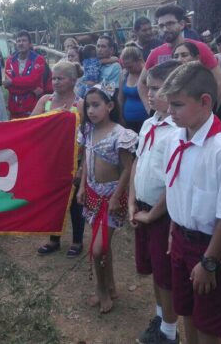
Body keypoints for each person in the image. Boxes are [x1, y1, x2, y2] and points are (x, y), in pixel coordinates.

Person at [160, 62, 221, 343]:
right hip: (181, 240)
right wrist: (175, 230)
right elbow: (178, 190)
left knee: (208, 322)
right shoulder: (176, 138)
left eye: (177, 105)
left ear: (205, 101)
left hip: (210, 247)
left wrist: (209, 262)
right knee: (185, 308)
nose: (170, 112)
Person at [128, 60, 181, 344]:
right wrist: (133, 202)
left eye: (158, 89)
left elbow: (174, 182)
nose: (150, 93)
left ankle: (170, 333)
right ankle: (161, 319)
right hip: (144, 208)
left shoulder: (177, 132)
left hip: (163, 213)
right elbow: (138, 160)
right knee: (154, 271)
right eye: (149, 87)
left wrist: (153, 214)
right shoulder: (150, 123)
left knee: (166, 276)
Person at [76, 84, 138, 314]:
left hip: (111, 198)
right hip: (92, 194)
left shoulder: (120, 135)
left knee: (99, 248)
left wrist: (117, 196)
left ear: (110, 106)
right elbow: (85, 163)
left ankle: (100, 288)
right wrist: (81, 187)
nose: (91, 110)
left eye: (96, 105)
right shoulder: (87, 131)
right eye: (88, 105)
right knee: (103, 246)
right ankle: (109, 285)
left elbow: (127, 168)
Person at [32, 61, 85, 258]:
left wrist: (83, 167)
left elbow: (88, 136)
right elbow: (30, 126)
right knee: (53, 201)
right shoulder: (45, 100)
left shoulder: (80, 103)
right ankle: (53, 239)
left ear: (72, 80)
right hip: (50, 161)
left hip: (73, 161)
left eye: (60, 78)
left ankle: (77, 241)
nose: (55, 82)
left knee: (75, 204)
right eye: (53, 78)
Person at [139, 5, 221, 109]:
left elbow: (219, 82)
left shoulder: (200, 48)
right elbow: (141, 83)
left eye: (170, 23)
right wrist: (149, 110)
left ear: (182, 24)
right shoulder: (155, 53)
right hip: (165, 118)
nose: (165, 29)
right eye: (161, 26)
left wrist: (210, 111)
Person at [3, 30, 46, 119]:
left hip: (31, 108)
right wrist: (30, 88)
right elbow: (7, 85)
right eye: (18, 41)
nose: (21, 43)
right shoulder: (10, 60)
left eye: (24, 40)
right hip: (14, 108)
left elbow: (32, 81)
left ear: (30, 44)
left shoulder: (39, 59)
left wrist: (13, 82)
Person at [118, 46, 148, 133]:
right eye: (125, 66)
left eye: (130, 66)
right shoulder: (124, 74)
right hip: (128, 121)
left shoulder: (148, 74)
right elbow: (120, 99)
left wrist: (144, 68)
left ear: (139, 61)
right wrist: (120, 117)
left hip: (146, 120)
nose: (127, 69)